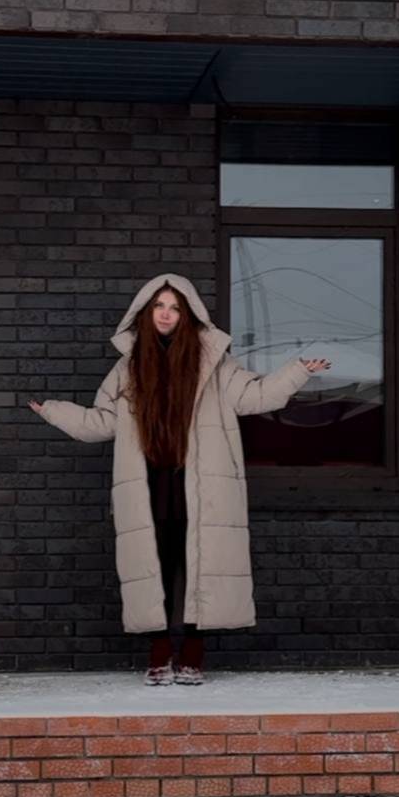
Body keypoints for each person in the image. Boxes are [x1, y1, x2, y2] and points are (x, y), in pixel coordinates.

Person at [28, 273, 330, 686]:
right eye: (159, 306)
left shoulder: (215, 363)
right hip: (148, 485)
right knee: (154, 566)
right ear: (145, 312)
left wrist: (297, 372)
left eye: (174, 307)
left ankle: (191, 654)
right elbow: (102, 422)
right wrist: (54, 411)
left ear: (188, 315)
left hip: (202, 485)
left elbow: (255, 397)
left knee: (197, 566)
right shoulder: (127, 367)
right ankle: (158, 653)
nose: (166, 314)